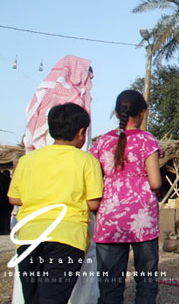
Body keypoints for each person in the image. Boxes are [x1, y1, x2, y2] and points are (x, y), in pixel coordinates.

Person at [8, 103, 103, 304]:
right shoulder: (87, 161)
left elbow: (14, 198)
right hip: (67, 238)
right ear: (81, 132)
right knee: (53, 297)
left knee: (32, 297)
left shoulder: (28, 160)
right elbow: (93, 203)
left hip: (29, 237)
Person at [90, 90, 162, 304]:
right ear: (141, 113)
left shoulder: (102, 142)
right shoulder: (147, 140)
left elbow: (94, 178)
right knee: (146, 280)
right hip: (143, 219)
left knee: (110, 284)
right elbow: (156, 182)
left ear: (116, 111)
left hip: (109, 218)